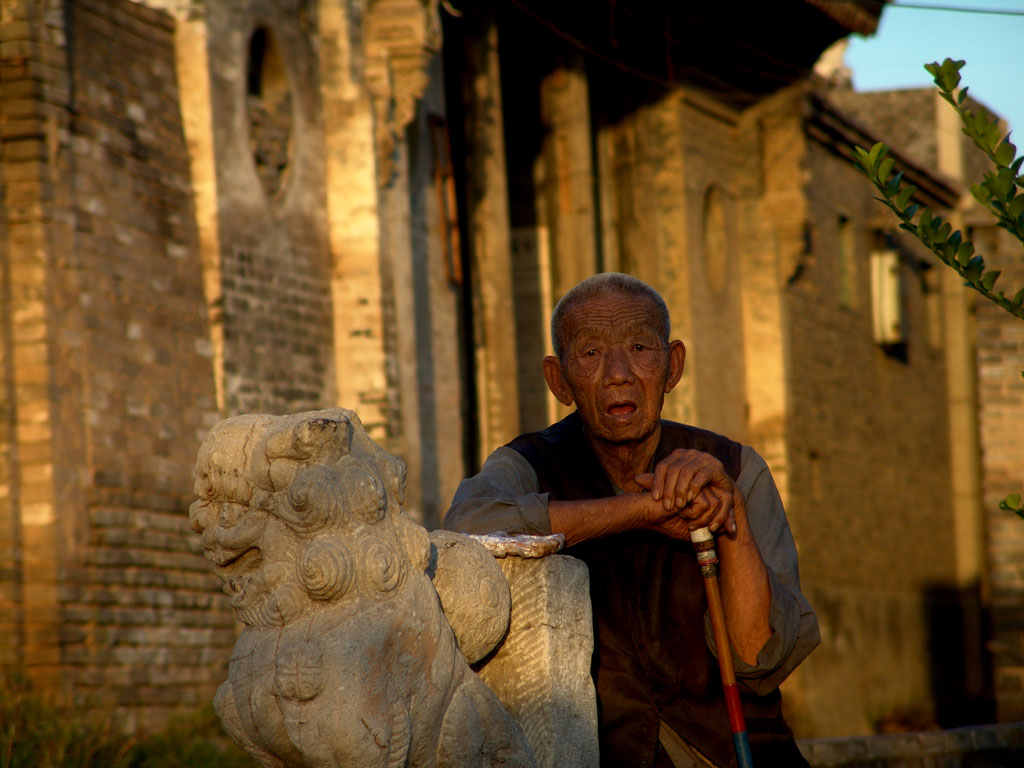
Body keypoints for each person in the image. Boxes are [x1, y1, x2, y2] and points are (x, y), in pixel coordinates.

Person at [443, 273, 819, 768]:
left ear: (672, 366)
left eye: (641, 347)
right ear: (559, 381)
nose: (618, 373)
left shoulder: (732, 468)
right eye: (591, 354)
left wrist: (732, 520)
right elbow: (466, 529)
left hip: (738, 752)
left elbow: (758, 657)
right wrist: (641, 510)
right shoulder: (528, 464)